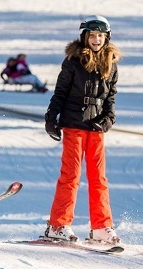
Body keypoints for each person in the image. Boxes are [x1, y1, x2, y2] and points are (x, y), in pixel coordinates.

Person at [42, 15, 122, 244]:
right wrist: (51, 117)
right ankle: (58, 225)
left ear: (106, 38)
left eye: (100, 36)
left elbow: (111, 98)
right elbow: (60, 92)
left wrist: (108, 120)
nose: (96, 40)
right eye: (92, 35)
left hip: (96, 127)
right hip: (74, 124)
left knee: (98, 178)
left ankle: (101, 226)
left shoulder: (111, 63)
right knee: (71, 176)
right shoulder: (73, 61)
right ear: (85, 37)